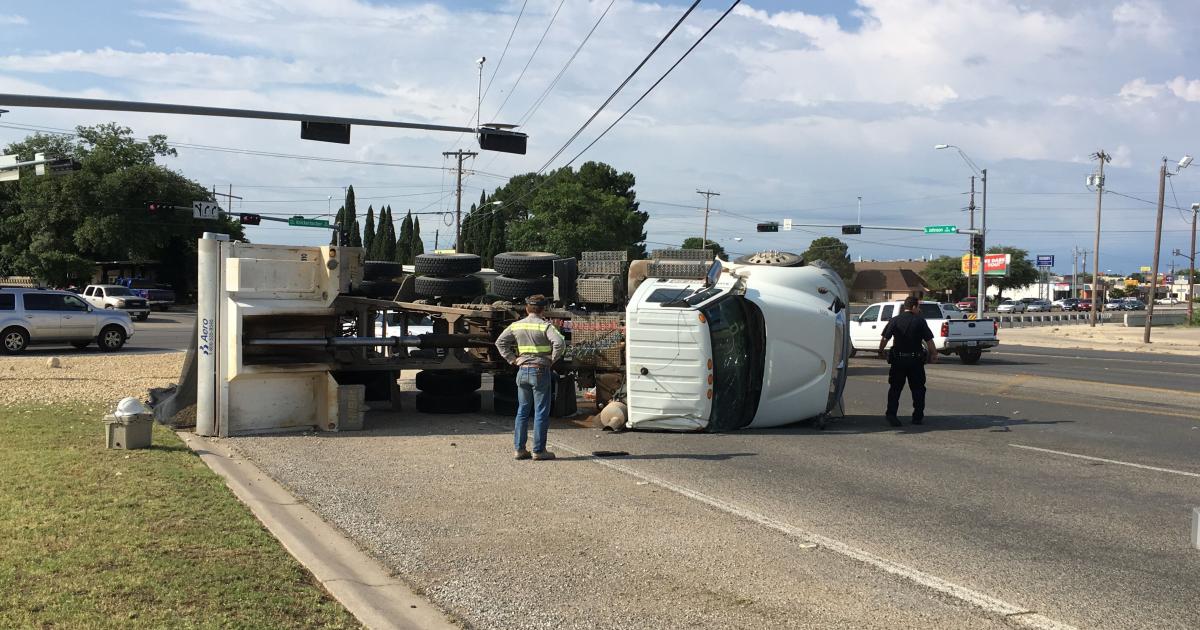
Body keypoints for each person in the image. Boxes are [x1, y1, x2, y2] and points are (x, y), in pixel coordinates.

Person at [495, 295, 565, 460]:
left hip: (522, 371)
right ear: (543, 309)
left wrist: (513, 359)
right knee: (540, 411)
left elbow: (500, 342)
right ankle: (538, 451)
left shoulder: (516, 325)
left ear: (527, 309)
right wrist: (551, 359)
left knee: (522, 411)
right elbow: (560, 343)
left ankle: (519, 450)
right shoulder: (546, 326)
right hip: (540, 371)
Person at [878, 295, 937, 426]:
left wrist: (880, 351)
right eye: (919, 307)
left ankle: (891, 415)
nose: (919, 310)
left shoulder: (894, 320)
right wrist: (934, 354)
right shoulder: (920, 321)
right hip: (915, 361)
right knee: (918, 389)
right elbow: (929, 340)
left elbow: (884, 338)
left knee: (895, 389)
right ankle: (917, 416)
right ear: (914, 307)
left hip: (898, 360)